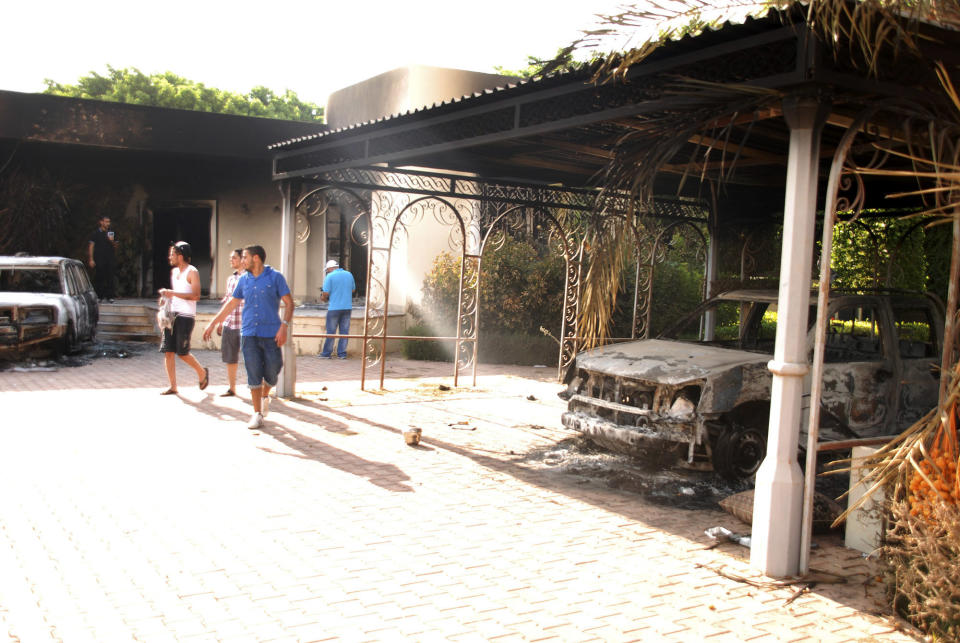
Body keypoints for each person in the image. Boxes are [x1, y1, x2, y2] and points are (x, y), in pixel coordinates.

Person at [202, 245, 293, 430]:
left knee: (274, 370)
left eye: (245, 257)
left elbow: (289, 303)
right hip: (249, 333)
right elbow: (231, 304)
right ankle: (257, 413)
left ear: (256, 258)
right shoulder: (243, 280)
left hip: (271, 334)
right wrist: (213, 323)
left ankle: (265, 395)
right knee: (253, 374)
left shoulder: (275, 277)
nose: (242, 261)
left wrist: (284, 327)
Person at [158, 241, 209, 395]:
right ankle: (173, 386)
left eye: (172, 254)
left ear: (180, 256)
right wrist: (167, 298)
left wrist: (172, 293)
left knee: (182, 352)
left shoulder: (192, 272)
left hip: (186, 317)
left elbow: (196, 295)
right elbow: (178, 293)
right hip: (172, 315)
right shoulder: (174, 273)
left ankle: (202, 373)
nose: (169, 257)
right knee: (168, 351)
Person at [216, 249, 245, 397]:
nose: (231, 260)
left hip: (245, 323)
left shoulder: (249, 277)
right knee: (230, 356)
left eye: (234, 258)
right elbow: (227, 301)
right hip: (230, 322)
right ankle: (232, 387)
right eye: (230, 258)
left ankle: (258, 386)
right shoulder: (230, 279)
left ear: (242, 259)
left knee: (251, 357)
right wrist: (220, 321)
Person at [319, 259, 356, 359]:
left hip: (334, 308)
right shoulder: (349, 274)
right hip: (347, 307)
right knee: (344, 332)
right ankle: (342, 354)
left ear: (331, 268)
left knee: (331, 332)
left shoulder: (330, 276)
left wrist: (323, 298)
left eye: (327, 270)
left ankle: (326, 354)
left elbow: (325, 293)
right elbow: (353, 290)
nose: (327, 272)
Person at [87, 216, 118, 302]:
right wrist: (91, 259)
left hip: (110, 258)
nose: (108, 223)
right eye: (106, 221)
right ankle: (99, 296)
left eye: (109, 222)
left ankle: (110, 296)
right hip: (99, 258)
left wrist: (111, 241)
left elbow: (116, 246)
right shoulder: (95, 233)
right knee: (99, 277)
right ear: (101, 222)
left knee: (110, 277)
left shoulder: (111, 232)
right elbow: (91, 246)